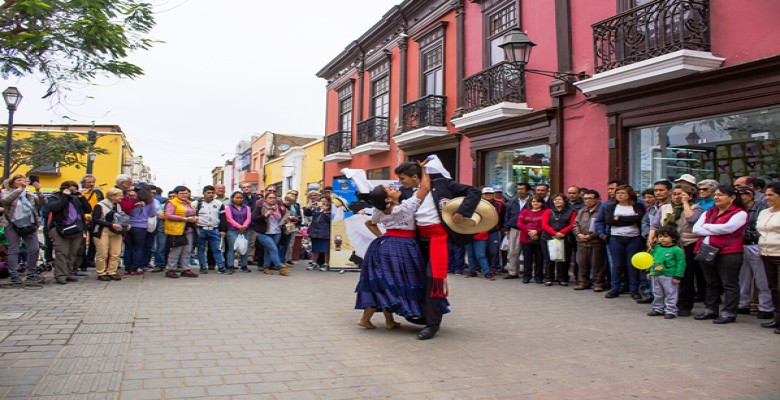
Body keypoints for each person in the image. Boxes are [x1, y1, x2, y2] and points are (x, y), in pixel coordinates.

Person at [396, 160, 481, 340]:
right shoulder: (403, 192)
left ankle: (433, 323)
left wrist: (462, 211)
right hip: (417, 240)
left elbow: (474, 191)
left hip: (439, 239)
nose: (400, 182)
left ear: (415, 177)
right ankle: (420, 313)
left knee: (432, 278)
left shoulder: (442, 185)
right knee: (417, 278)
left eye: (403, 178)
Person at [356, 161, 431, 329]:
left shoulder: (378, 211)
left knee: (385, 282)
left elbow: (370, 223)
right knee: (394, 281)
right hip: (404, 246)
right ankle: (367, 319)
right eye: (390, 189)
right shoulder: (404, 208)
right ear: (388, 198)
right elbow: (424, 189)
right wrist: (423, 170)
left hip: (383, 246)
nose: (394, 187)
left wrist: (382, 237)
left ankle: (388, 321)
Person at [692, 185, 747, 324]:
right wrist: (716, 229)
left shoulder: (739, 213)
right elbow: (696, 229)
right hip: (707, 250)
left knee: (729, 283)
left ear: (732, 197)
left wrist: (707, 227)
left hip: (729, 252)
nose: (716, 197)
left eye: (720, 195)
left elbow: (728, 228)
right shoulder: (710, 211)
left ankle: (729, 312)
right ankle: (711, 309)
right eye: (715, 194)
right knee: (711, 282)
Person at [648, 184, 703, 317]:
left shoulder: (696, 208)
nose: (676, 197)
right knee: (664, 274)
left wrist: (685, 203)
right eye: (674, 194)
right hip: (666, 245)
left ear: (689, 196)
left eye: (680, 194)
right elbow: (655, 225)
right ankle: (663, 306)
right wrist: (651, 239)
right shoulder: (664, 208)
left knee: (685, 276)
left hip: (687, 244)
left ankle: (684, 306)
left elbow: (692, 219)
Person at [0, 174, 46, 284]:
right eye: (18, 180)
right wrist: (20, 189)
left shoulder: (28, 194)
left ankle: (31, 273)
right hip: (12, 224)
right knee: (13, 249)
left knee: (34, 248)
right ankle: (14, 275)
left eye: (23, 180)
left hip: (28, 224)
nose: (22, 182)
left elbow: (42, 203)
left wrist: (38, 191)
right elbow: (5, 201)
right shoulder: (6, 192)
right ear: (12, 182)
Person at [736, 187, 773, 319]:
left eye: (745, 194)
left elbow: (761, 228)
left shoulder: (761, 208)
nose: (742, 196)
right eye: (739, 194)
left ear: (751, 195)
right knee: (742, 278)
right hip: (740, 245)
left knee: (761, 278)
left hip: (755, 244)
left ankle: (766, 307)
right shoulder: (737, 209)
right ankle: (742, 304)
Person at [603, 185, 646, 299]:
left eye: (622, 193)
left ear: (629, 195)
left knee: (632, 265)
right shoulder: (610, 207)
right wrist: (629, 220)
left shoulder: (637, 206)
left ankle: (633, 290)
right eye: (618, 193)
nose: (620, 195)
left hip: (634, 238)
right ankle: (614, 288)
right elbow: (609, 221)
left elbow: (639, 218)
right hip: (616, 238)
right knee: (617, 265)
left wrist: (619, 218)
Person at [48, 180, 92, 284]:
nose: (73, 192)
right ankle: (60, 275)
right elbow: (54, 208)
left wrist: (81, 197)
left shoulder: (76, 199)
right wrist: (65, 196)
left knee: (73, 253)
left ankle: (69, 272)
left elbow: (88, 209)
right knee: (62, 252)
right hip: (60, 228)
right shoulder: (56, 197)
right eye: (70, 189)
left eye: (74, 189)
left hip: (76, 228)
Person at [646, 226, 686, 319]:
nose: (662, 238)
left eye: (665, 236)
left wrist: (678, 276)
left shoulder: (676, 250)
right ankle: (658, 308)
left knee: (670, 293)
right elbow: (650, 260)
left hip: (669, 275)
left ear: (673, 238)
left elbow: (681, 264)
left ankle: (671, 310)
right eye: (660, 236)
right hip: (655, 274)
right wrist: (649, 271)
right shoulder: (655, 248)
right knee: (657, 293)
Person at [91, 188, 130, 281]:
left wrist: (125, 225)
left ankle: (112, 271)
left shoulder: (118, 206)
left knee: (116, 253)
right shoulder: (100, 205)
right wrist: (111, 225)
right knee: (102, 253)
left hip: (116, 231)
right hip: (102, 230)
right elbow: (95, 219)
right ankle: (101, 272)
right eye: (119, 195)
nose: (122, 197)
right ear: (112, 196)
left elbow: (120, 218)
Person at [757, 182, 780, 334]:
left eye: (771, 195)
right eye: (766, 195)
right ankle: (777, 318)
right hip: (766, 253)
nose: (767, 198)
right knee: (773, 288)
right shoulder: (764, 212)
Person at [573, 190, 606, 291]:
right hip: (581, 241)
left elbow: (603, 226)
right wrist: (578, 234)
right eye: (585, 199)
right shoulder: (582, 211)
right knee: (582, 263)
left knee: (597, 264)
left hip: (596, 242)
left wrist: (592, 236)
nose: (587, 201)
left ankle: (598, 283)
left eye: (590, 198)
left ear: (597, 199)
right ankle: (583, 282)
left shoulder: (602, 210)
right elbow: (575, 224)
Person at [540, 193, 576, 286]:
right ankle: (549, 278)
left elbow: (572, 224)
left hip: (565, 237)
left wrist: (561, 233)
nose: (557, 201)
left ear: (564, 201)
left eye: (559, 199)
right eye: (555, 200)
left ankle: (562, 278)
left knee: (563, 259)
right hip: (549, 237)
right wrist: (555, 233)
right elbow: (544, 224)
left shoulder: (571, 212)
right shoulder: (548, 211)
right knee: (549, 259)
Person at [163, 186, 199, 278]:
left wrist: (195, 218)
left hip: (189, 229)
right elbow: (168, 215)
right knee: (176, 250)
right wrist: (185, 219)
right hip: (177, 230)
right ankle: (171, 269)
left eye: (186, 193)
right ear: (176, 194)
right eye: (182, 193)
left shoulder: (188, 203)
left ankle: (185, 269)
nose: (184, 195)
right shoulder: (172, 203)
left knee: (187, 250)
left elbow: (193, 213)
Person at [124, 187, 158, 276]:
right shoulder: (150, 202)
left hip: (128, 225)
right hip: (141, 226)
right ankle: (134, 268)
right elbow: (152, 213)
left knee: (128, 248)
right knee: (139, 248)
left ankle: (127, 268)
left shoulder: (130, 200)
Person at [253, 191, 288, 275]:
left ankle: (266, 267)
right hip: (263, 232)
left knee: (269, 250)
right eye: (270, 198)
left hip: (276, 231)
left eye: (274, 198)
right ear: (265, 199)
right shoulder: (260, 207)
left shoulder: (279, 208)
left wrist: (286, 219)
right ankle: (280, 267)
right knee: (273, 249)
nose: (272, 199)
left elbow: (282, 217)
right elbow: (254, 218)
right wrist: (265, 215)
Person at [195, 185, 227, 274]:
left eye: (212, 193)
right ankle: (203, 266)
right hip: (201, 229)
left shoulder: (219, 204)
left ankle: (221, 266)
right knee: (201, 249)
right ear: (204, 193)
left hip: (214, 229)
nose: (211, 195)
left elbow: (223, 217)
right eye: (208, 193)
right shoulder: (198, 203)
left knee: (217, 249)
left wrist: (223, 230)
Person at [503, 182, 531, 280]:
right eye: (518, 189)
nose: (519, 191)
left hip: (528, 229)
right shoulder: (513, 202)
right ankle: (513, 272)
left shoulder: (532, 201)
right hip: (514, 228)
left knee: (529, 252)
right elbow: (507, 215)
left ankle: (530, 273)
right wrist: (506, 228)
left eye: (522, 189)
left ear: (527, 190)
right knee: (512, 251)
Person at [518, 196, 546, 284]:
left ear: (542, 203)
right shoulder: (525, 211)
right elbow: (519, 223)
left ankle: (538, 276)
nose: (535, 203)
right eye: (533, 202)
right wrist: (529, 231)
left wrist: (536, 231)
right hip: (525, 238)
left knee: (539, 258)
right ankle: (527, 276)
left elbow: (546, 224)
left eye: (537, 201)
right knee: (527, 258)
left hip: (540, 238)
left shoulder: (545, 212)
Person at [79, 174, 103, 271]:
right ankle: (82, 261)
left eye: (93, 182)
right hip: (83, 219)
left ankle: (90, 259)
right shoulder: (80, 193)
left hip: (94, 218)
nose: (91, 184)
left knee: (94, 240)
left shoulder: (97, 193)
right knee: (82, 241)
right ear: (83, 183)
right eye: (89, 182)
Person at [225, 191, 251, 274]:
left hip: (245, 230)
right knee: (232, 249)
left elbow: (248, 218)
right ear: (232, 198)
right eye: (237, 197)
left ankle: (244, 266)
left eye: (241, 198)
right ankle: (230, 266)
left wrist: (244, 226)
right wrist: (239, 227)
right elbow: (229, 219)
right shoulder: (228, 207)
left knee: (244, 248)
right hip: (232, 230)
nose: (239, 199)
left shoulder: (246, 207)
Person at [304, 195, 331, 271]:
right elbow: (307, 213)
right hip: (315, 231)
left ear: (329, 202)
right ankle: (314, 263)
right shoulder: (316, 209)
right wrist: (309, 206)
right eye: (321, 202)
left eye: (325, 202)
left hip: (325, 232)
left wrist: (325, 212)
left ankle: (326, 264)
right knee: (315, 249)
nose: (323, 203)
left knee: (325, 249)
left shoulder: (330, 210)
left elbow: (330, 220)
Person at [481, 186, 504, 275]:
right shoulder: (478, 204)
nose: (488, 195)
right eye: (486, 194)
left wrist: (503, 227)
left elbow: (503, 216)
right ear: (482, 195)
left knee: (494, 251)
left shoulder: (500, 204)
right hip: (481, 230)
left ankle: (494, 267)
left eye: (490, 194)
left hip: (494, 230)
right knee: (483, 251)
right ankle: (485, 267)